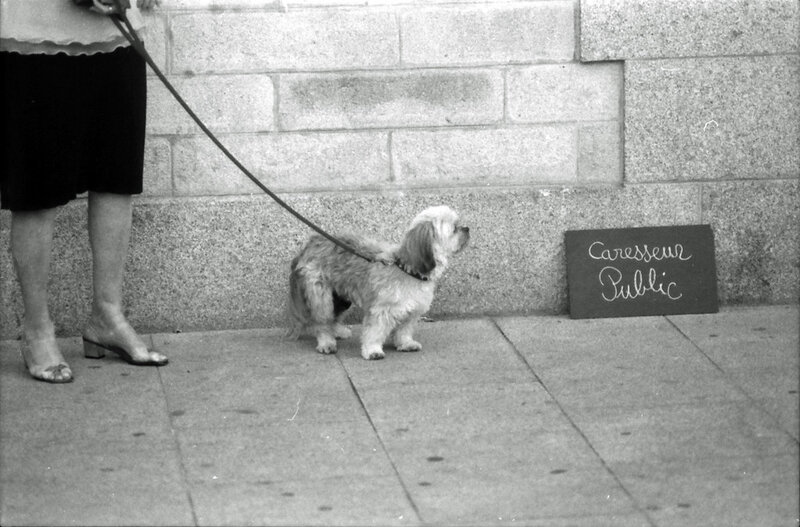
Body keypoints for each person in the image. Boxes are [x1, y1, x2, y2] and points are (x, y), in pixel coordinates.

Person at [1, 0, 167, 383]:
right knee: (37, 186)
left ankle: (107, 317)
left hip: (115, 30)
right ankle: (37, 329)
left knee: (116, 173)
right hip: (35, 32)